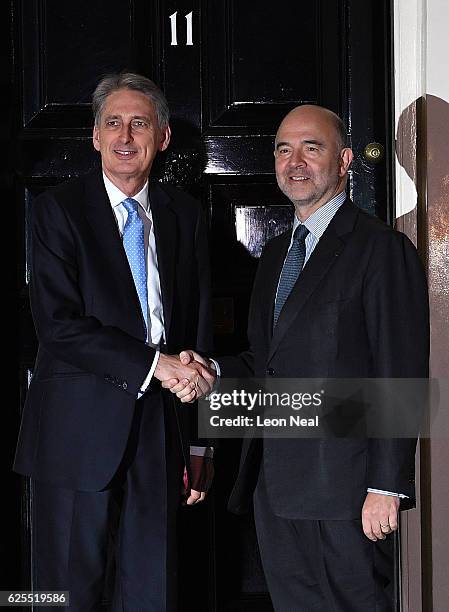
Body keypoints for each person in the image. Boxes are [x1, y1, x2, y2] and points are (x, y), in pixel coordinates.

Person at [165, 105, 429, 611]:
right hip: (276, 488)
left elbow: (400, 373)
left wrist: (385, 487)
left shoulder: (382, 250)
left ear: (345, 160)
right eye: (284, 149)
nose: (295, 161)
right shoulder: (275, 254)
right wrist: (213, 371)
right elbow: (265, 361)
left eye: (313, 147)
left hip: (348, 494)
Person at [14, 72, 215, 611]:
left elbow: (196, 332)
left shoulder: (185, 216)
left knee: (154, 592)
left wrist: (198, 444)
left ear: (163, 137)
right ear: (96, 136)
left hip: (160, 432)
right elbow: (57, 324)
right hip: (74, 434)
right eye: (113, 123)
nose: (126, 135)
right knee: (62, 595)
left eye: (140, 123)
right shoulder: (56, 210)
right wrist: (158, 365)